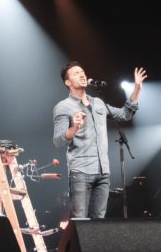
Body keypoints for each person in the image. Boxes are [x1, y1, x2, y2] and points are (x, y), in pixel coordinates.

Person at [53, 62, 147, 219]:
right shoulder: (63, 107)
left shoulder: (98, 103)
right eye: (76, 73)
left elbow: (125, 114)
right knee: (80, 221)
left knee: (98, 224)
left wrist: (137, 89)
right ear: (67, 82)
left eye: (82, 71)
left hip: (103, 172)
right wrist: (74, 128)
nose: (82, 75)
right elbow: (58, 141)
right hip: (80, 171)